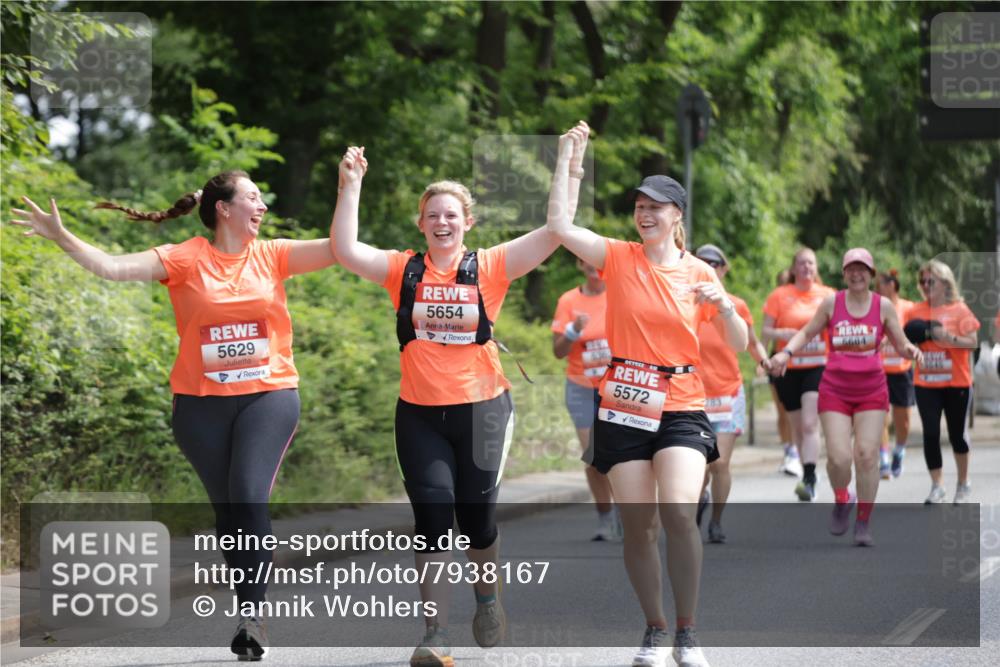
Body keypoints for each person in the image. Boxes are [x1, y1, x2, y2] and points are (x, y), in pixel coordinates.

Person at [10, 172, 340, 660]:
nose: (263, 205)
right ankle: (249, 603)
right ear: (223, 208)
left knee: (249, 498)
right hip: (199, 408)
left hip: (268, 396)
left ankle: (253, 616)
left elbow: (340, 247)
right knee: (229, 511)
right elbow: (111, 267)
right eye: (253, 197)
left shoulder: (273, 255)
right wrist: (63, 236)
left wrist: (347, 184)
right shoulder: (185, 258)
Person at [331, 122, 590, 667]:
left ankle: (488, 599)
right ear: (420, 224)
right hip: (419, 416)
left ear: (467, 222)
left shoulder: (490, 266)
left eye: (452, 215)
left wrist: (569, 165)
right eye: (433, 216)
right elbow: (347, 250)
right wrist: (349, 185)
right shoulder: (403, 270)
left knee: (476, 522)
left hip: (483, 411)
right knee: (432, 515)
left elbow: (555, 231)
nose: (442, 222)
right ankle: (435, 634)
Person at [548, 160, 748, 667]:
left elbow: (740, 343)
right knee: (639, 527)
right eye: (639, 207)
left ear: (676, 215)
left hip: (681, 400)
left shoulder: (700, 272)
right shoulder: (618, 257)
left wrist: (723, 306)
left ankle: (688, 633)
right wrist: (570, 165)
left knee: (679, 512)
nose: (644, 215)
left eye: (654, 207)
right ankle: (655, 630)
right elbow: (561, 227)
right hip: (625, 401)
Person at [770, 249, 920, 546]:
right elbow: (807, 332)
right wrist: (785, 353)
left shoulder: (883, 306)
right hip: (835, 388)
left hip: (871, 390)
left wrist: (912, 351)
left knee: (866, 455)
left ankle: (863, 522)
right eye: (851, 268)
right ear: (844, 273)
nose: (856, 274)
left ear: (871, 273)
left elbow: (900, 343)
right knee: (839, 459)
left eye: (862, 269)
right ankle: (842, 498)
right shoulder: (832, 303)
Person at [693, 244, 768, 544]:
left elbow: (750, 341)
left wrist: (765, 362)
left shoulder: (735, 304)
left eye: (714, 263)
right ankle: (697, 503)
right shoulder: (685, 303)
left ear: (723, 269)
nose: (709, 266)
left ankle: (717, 521)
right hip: (693, 397)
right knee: (698, 466)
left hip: (728, 394)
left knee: (719, 463)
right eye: (702, 262)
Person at [551, 257, 619, 541]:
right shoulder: (568, 300)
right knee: (592, 457)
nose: (592, 264)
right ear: (579, 264)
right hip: (580, 387)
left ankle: (629, 513)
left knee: (622, 457)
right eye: (585, 260)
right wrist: (572, 331)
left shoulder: (620, 295)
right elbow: (558, 351)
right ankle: (606, 517)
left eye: (597, 259)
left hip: (618, 387)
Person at [903, 260, 980, 505]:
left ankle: (963, 483)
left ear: (945, 283)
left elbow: (972, 342)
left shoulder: (960, 310)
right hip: (925, 383)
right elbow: (905, 341)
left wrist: (947, 338)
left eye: (931, 281)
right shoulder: (914, 311)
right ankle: (937, 485)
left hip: (956, 382)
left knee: (957, 435)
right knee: (931, 434)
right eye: (923, 281)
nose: (926, 285)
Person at [762, 248, 834, 501]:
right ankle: (808, 474)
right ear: (793, 269)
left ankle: (811, 475)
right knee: (797, 427)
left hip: (817, 366)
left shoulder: (827, 296)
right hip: (787, 368)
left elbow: (839, 329)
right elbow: (765, 332)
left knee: (809, 423)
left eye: (811, 263)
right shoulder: (779, 296)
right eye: (801, 263)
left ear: (816, 268)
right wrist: (780, 335)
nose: (806, 268)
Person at [876, 269, 915, 479]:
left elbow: (916, 330)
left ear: (892, 284)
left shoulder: (908, 307)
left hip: (902, 369)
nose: (876, 288)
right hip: (879, 371)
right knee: (881, 417)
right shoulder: (874, 307)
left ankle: (899, 451)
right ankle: (883, 458)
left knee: (904, 421)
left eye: (880, 283)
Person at [768, 269, 800, 477]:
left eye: (786, 282)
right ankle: (788, 450)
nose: (783, 286)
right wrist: (761, 360)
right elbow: (763, 332)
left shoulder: (799, 305)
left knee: (793, 412)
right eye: (780, 282)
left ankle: (796, 452)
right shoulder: (775, 302)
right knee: (780, 411)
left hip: (798, 361)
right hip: (775, 357)